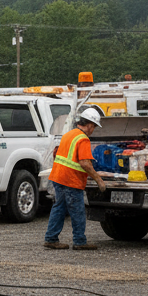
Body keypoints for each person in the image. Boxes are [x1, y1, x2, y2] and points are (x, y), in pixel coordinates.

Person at [44, 106, 108, 250]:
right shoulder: (83, 139)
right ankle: (79, 241)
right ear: (90, 125)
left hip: (58, 177)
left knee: (59, 208)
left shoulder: (69, 134)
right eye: (95, 127)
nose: (93, 130)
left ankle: (51, 238)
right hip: (71, 181)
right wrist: (99, 179)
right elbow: (84, 162)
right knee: (77, 211)